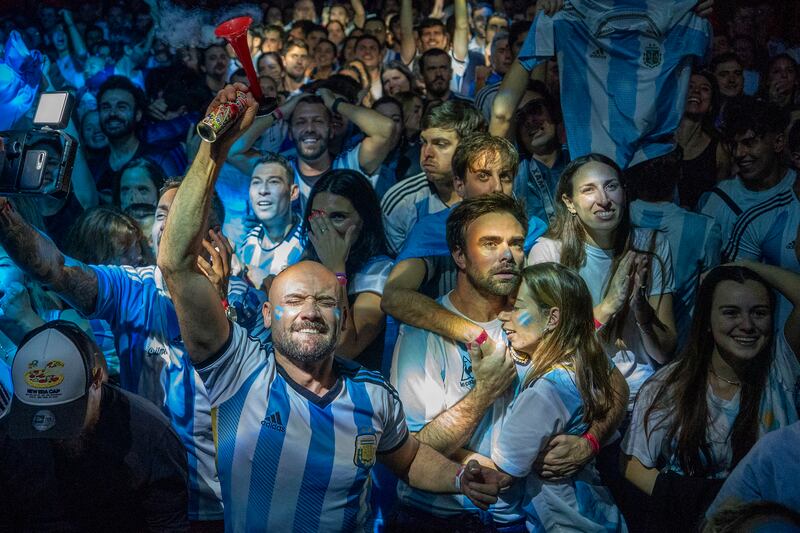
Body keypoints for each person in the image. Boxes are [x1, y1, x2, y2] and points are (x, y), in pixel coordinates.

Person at [157, 85, 511, 530]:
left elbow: (409, 457)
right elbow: (175, 262)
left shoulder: (373, 394)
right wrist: (213, 148)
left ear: (341, 311)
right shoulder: (240, 372)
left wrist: (460, 476)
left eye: (326, 301)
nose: (310, 310)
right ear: (267, 315)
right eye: (293, 301)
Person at [0, 178, 267, 528]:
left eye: (181, 213)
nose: (166, 224)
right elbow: (53, 269)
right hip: (146, 486)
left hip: (228, 503)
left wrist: (218, 307)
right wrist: (4, 213)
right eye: (160, 214)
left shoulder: (247, 303)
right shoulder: (132, 286)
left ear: (214, 235)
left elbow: (266, 398)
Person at [389, 196, 625, 530]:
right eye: (490, 243)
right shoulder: (421, 334)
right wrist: (483, 394)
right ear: (459, 255)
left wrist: (591, 442)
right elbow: (411, 450)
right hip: (443, 517)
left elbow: (617, 387)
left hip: (523, 520)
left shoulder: (537, 312)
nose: (506, 255)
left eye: (515, 244)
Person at [621, 263, 800, 531]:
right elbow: (633, 465)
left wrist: (742, 264)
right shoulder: (669, 385)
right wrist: (702, 499)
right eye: (731, 313)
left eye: (759, 313)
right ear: (706, 320)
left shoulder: (780, 369)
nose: (747, 325)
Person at [0, 321, 189, 531]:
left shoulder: (150, 436)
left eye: (66, 413)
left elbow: (167, 525)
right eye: (36, 415)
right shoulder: (8, 437)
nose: (54, 432)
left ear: (97, 379)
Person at [528, 154, 677, 409]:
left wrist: (642, 314)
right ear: (569, 202)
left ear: (624, 193)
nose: (604, 200)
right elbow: (547, 346)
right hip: (577, 397)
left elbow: (664, 352)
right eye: (589, 190)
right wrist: (609, 306)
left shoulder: (651, 244)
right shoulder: (549, 253)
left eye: (611, 186)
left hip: (640, 397)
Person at [492, 262, 627, 532]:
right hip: (598, 516)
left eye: (517, 308)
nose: (503, 316)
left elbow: (505, 472)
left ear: (552, 318)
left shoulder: (545, 392)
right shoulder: (582, 358)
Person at [228, 89, 395, 211]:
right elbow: (233, 150)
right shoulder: (280, 171)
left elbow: (386, 129)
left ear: (331, 130)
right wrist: (281, 111)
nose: (309, 129)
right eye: (300, 122)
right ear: (291, 133)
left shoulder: (350, 164)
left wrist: (335, 104)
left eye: (318, 121)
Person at [626, 149, 721, 350]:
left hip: (630, 357)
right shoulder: (704, 228)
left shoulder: (616, 219)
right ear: (679, 173)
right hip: (681, 354)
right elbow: (711, 294)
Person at [302, 169, 393, 367]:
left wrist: (336, 269)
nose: (325, 228)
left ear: (364, 220)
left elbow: (344, 349)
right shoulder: (307, 261)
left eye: (338, 217)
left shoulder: (380, 271)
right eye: (317, 216)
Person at [380, 100, 486, 256]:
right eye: (423, 142)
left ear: (470, 147)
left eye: (440, 144)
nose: (426, 153)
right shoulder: (401, 201)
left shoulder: (492, 191)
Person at [699, 97, 794, 253]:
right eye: (734, 145)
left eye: (749, 143)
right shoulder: (720, 199)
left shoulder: (796, 191)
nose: (738, 153)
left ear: (778, 142)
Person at [93, 75, 186, 202]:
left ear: (137, 115)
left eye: (121, 107)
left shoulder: (159, 159)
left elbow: (178, 206)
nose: (112, 113)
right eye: (106, 107)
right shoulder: (95, 166)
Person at [237, 153, 304, 288]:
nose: (263, 190)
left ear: (293, 192)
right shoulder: (250, 240)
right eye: (256, 182)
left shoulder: (307, 243)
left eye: (273, 182)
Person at [675, 70, 732, 209]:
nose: (696, 91)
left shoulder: (719, 150)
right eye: (690, 86)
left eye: (704, 89)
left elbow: (719, 201)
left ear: (711, 104)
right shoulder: (659, 140)